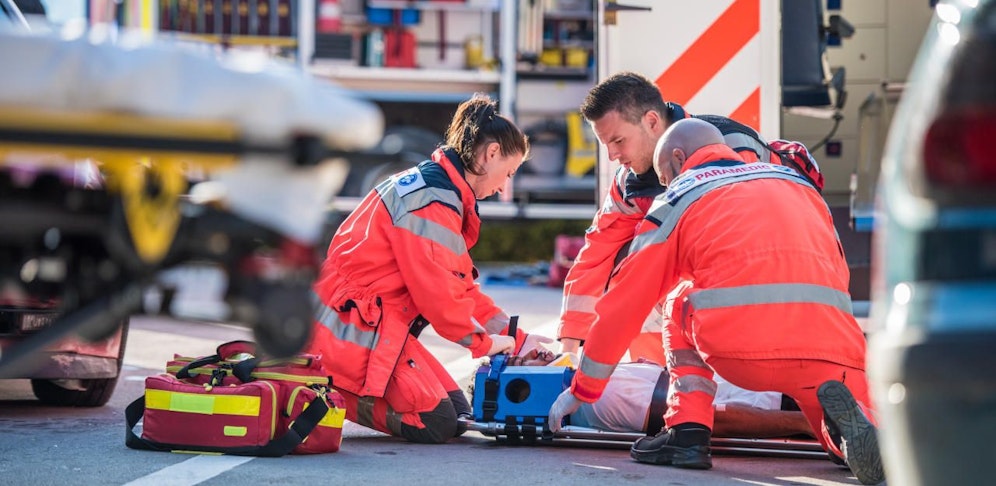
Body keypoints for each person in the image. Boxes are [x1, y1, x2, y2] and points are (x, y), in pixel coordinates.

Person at [549, 119, 883, 485]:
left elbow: (625, 302)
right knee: (831, 421)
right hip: (834, 349)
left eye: (665, 176)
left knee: (678, 300)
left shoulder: (680, 195)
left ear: (678, 160)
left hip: (741, 352)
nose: (665, 184)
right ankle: (851, 443)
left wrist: (584, 389)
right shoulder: (796, 184)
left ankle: (686, 433)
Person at [306, 93, 553, 444]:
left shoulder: (440, 191)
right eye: (508, 173)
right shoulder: (432, 201)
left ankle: (337, 379)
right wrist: (485, 344)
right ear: (491, 153)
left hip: (370, 326)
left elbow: (461, 288)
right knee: (436, 422)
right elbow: (441, 299)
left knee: (458, 414)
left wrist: (519, 339)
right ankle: (328, 385)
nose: (503, 187)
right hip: (349, 332)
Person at [558, 71, 775, 363]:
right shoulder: (629, 182)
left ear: (651, 121)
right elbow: (596, 255)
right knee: (627, 266)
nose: (611, 156)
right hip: (717, 295)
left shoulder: (733, 148)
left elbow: (746, 245)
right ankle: (656, 383)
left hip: (760, 290)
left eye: (618, 141)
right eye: (605, 144)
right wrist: (567, 352)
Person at [501, 350, 813, 439]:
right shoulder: (587, 402)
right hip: (769, 399)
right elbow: (708, 420)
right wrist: (802, 423)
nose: (532, 353)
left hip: (761, 382)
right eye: (522, 362)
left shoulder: (585, 377)